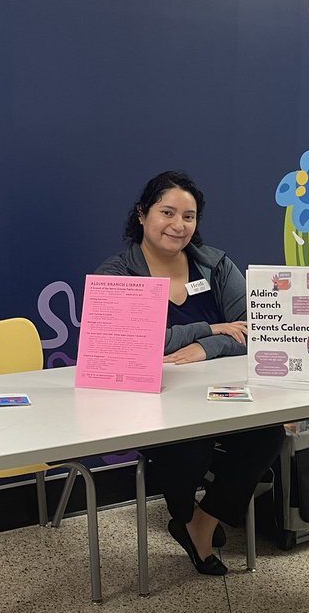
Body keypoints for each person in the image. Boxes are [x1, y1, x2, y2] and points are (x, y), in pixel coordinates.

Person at [97, 170, 285, 576]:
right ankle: (184, 516)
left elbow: (256, 330)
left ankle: (202, 522)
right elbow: (130, 345)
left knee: (267, 434)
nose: (178, 225)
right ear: (143, 214)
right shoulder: (117, 275)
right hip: (153, 402)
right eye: (167, 212)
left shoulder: (214, 265)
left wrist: (203, 347)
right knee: (190, 445)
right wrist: (211, 328)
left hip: (222, 395)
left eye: (189, 216)